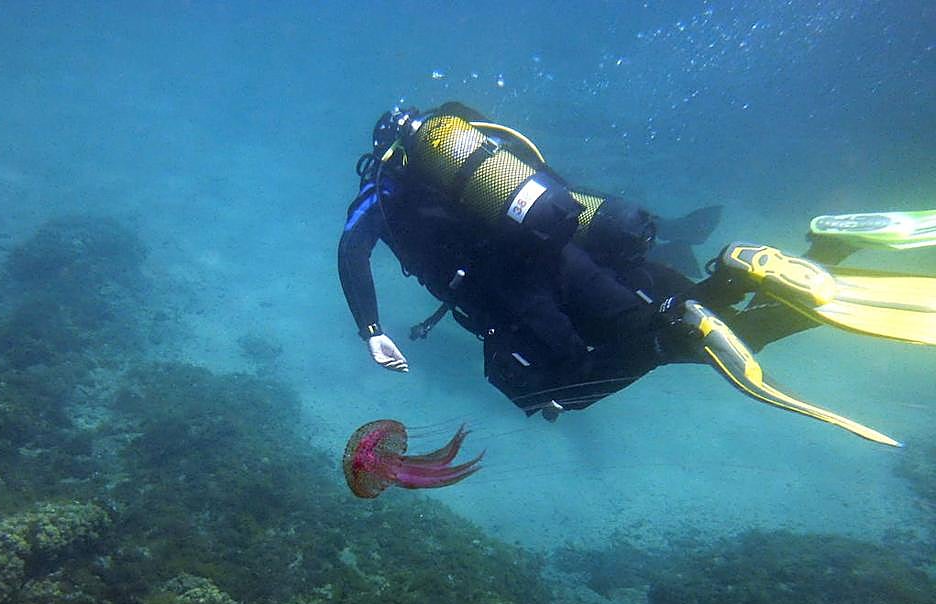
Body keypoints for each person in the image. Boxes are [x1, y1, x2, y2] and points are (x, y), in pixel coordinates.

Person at [337, 102, 934, 446]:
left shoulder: (381, 193)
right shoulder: (484, 158)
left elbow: (351, 251)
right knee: (683, 330)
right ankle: (802, 258)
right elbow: (559, 190)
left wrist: (371, 330)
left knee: (593, 371)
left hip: (510, 294)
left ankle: (726, 289)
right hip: (572, 253)